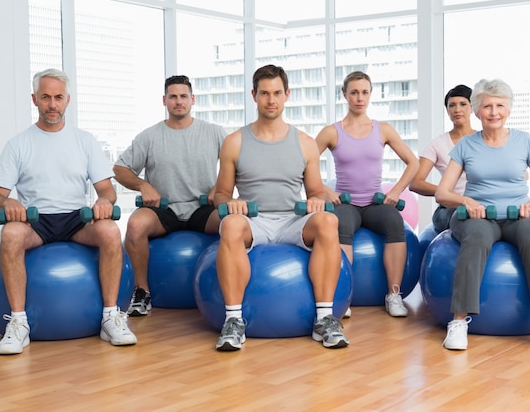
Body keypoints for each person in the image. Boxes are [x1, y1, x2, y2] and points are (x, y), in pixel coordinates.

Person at [0, 68, 137, 355]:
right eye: (45, 97)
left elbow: (107, 190)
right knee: (11, 234)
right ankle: (19, 324)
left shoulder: (85, 141)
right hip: (35, 221)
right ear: (34, 100)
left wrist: (104, 200)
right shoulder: (18, 144)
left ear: (67, 100)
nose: (52, 104)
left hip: (75, 219)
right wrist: (8, 203)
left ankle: (110, 317)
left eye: (58, 97)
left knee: (110, 230)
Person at [213, 64, 348, 351]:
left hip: (292, 220)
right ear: (254, 95)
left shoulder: (305, 143)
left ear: (286, 95)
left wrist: (316, 201)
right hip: (253, 220)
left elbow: (315, 191)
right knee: (231, 224)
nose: (271, 100)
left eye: (276, 93)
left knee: (327, 221)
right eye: (264, 93)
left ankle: (324, 318)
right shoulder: (234, 142)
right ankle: (234, 321)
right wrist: (231, 202)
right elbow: (221, 194)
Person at [435, 78, 530, 353]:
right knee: (477, 237)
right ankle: (459, 322)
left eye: (500, 106)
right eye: (487, 106)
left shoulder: (524, 141)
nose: (494, 112)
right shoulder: (466, 146)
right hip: (478, 216)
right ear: (476, 110)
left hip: (520, 214)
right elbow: (442, 193)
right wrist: (466, 200)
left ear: (508, 109)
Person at [113, 75, 225, 316]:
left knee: (232, 224)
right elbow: (120, 169)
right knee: (134, 225)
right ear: (164, 100)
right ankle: (141, 292)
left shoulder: (214, 133)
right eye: (173, 96)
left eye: (183, 96)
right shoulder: (150, 136)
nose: (178, 101)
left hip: (202, 208)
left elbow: (238, 165)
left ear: (192, 99)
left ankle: (224, 292)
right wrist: (143, 185)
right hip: (163, 209)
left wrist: (221, 187)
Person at [315, 71, 419, 318]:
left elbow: (412, 163)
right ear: (344, 95)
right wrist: (325, 191)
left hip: (375, 202)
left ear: (370, 94)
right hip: (345, 202)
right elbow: (303, 164)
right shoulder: (332, 132)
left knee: (395, 222)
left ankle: (394, 295)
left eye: (364, 92)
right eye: (354, 92)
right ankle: (343, 296)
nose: (359, 98)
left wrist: (395, 191)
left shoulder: (382, 130)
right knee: (342, 225)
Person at [410, 85, 476, 232]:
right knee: (468, 219)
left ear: (472, 108)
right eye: (452, 105)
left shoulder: (484, 140)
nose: (457, 109)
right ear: (447, 111)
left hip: (480, 205)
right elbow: (415, 182)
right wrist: (447, 193)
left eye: (463, 104)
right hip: (449, 209)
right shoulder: (438, 144)